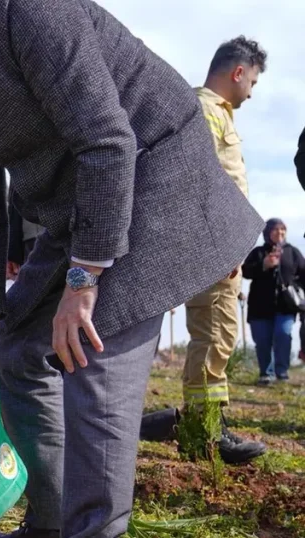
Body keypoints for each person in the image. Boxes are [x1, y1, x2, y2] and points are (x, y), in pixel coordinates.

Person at [0, 0, 263, 536]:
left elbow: (107, 139)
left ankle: (95, 528)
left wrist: (83, 280)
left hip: (153, 177)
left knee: (91, 345)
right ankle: (49, 523)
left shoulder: (27, 12)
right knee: (17, 344)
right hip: (80, 204)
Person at [143, 37, 269, 465]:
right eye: (251, 80)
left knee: (219, 337)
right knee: (214, 335)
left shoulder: (214, 112)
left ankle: (202, 424)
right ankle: (204, 434)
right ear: (238, 72)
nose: (251, 91)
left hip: (217, 243)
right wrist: (221, 242)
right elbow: (201, 182)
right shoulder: (205, 110)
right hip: (213, 246)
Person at [243, 219, 305, 385]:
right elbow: (245, 271)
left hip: (286, 307)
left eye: (283, 230)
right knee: (262, 340)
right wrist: (264, 264)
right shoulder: (258, 252)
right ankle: (266, 374)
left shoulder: (292, 252)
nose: (280, 233)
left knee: (283, 335)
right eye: (275, 230)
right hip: (259, 307)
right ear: (267, 232)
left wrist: (296, 289)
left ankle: (282, 373)